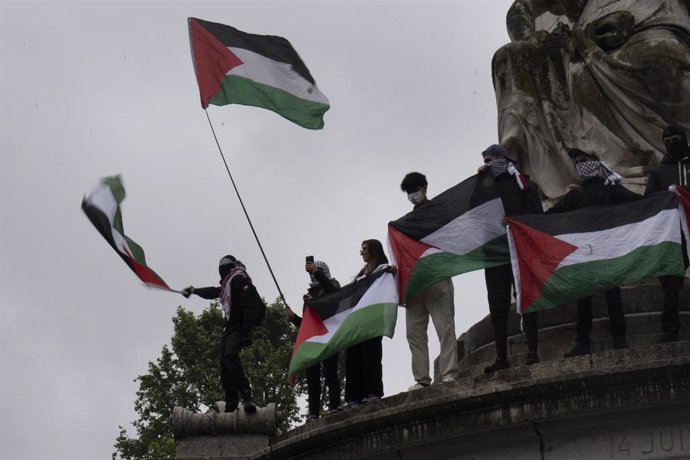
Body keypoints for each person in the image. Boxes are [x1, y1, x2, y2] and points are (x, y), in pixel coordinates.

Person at [493, 0, 690, 200]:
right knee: (512, 55)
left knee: (659, 64)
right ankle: (519, 180)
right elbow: (521, 10)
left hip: (647, 20)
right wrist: (531, 36)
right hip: (577, 46)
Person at [549, 148, 640, 356]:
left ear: (596, 162)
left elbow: (638, 201)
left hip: (607, 251)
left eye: (585, 160)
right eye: (578, 162)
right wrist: (520, 221)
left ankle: (617, 338)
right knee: (584, 299)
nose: (581, 164)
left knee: (613, 296)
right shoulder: (575, 195)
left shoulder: (611, 189)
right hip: (586, 254)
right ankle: (584, 342)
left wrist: (668, 195)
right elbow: (551, 215)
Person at [479, 144, 542, 373]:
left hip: (520, 250)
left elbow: (537, 215)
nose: (487, 164)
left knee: (527, 300)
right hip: (494, 255)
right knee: (497, 307)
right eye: (485, 160)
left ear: (502, 158)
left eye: (490, 159)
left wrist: (516, 221)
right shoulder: (483, 186)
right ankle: (501, 357)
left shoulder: (522, 182)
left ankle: (533, 350)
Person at [400, 172, 459, 389]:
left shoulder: (440, 213)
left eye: (414, 190)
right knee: (414, 334)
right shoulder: (405, 223)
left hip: (436, 277)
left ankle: (449, 372)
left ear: (424, 188)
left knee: (444, 327)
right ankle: (421, 379)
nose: (412, 196)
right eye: (408, 193)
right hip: (415, 283)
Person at [181, 255, 257, 413]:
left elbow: (249, 306)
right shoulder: (227, 285)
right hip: (229, 327)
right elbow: (213, 292)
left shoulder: (238, 279)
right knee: (224, 363)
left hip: (239, 325)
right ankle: (231, 404)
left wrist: (246, 333)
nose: (221, 274)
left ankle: (246, 396)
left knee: (230, 356)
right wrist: (194, 290)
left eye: (223, 270)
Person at [644, 123, 690, 343]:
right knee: (670, 284)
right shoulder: (659, 172)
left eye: (676, 137)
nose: (672, 142)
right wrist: (667, 196)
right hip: (674, 236)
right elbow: (649, 202)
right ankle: (670, 330)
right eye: (667, 139)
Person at [286, 259, 341, 421]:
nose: (312, 276)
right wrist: (294, 317)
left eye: (314, 272)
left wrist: (318, 272)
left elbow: (332, 297)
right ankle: (313, 413)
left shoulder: (333, 285)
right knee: (313, 378)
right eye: (311, 273)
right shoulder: (310, 294)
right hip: (313, 340)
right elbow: (307, 324)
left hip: (329, 336)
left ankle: (335, 405)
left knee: (331, 372)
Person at [344, 239, 393, 407]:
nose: (362, 252)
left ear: (373, 250)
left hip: (372, 320)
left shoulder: (382, 269)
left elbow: (390, 275)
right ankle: (354, 397)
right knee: (354, 357)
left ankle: (373, 392)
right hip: (358, 322)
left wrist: (390, 271)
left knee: (370, 355)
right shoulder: (360, 275)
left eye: (364, 249)